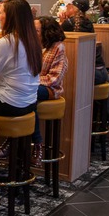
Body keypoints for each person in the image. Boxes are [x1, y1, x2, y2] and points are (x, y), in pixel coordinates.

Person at [0, 0, 42, 155]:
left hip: (11, 104)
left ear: (10, 17)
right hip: (30, 103)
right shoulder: (32, 40)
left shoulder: (6, 43)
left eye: (2, 12)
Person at [31, 16, 68, 165]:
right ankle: (14, 137)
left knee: (29, 94)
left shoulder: (58, 48)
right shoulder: (33, 46)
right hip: (33, 85)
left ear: (47, 32)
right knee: (20, 93)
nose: (33, 33)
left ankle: (37, 143)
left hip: (51, 89)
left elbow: (54, 79)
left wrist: (30, 81)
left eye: (36, 30)